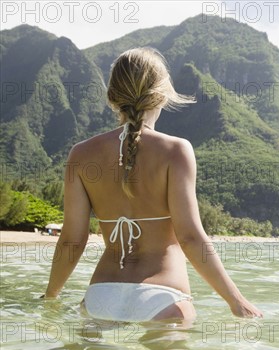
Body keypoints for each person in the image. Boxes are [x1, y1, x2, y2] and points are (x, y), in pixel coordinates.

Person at [43, 47, 262, 322]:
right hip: (163, 297)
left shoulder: (80, 154)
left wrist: (51, 294)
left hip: (100, 295)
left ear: (113, 97)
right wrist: (236, 300)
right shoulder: (176, 151)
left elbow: (72, 239)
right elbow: (190, 237)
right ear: (161, 95)